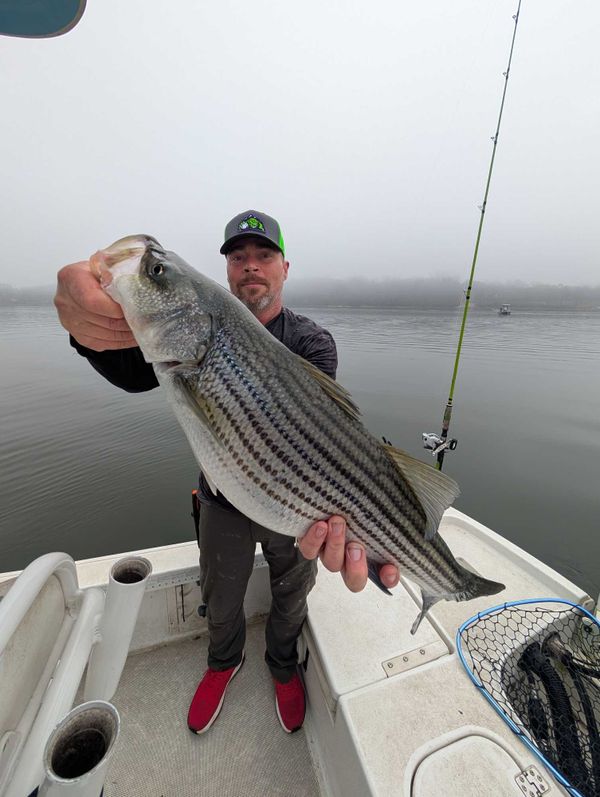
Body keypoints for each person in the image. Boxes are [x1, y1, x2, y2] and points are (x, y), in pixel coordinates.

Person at [54, 210, 400, 735]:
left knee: (291, 592)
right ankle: (223, 661)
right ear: (227, 272)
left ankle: (282, 663)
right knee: (220, 595)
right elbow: (128, 371)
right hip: (222, 500)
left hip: (298, 504)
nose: (251, 267)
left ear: (285, 267)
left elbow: (319, 428)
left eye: (263, 256)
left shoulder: (312, 341)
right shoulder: (184, 328)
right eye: (238, 258)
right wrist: (87, 331)